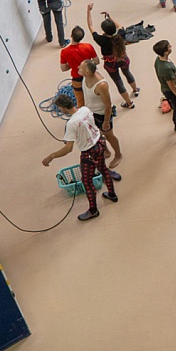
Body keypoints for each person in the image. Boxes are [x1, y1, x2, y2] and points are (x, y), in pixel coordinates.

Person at [41, 93, 117, 221]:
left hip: (89, 152)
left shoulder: (71, 124)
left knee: (87, 182)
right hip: (99, 143)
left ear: (63, 108)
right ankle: (112, 194)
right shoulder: (85, 109)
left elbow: (68, 148)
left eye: (59, 108)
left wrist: (51, 156)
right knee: (103, 169)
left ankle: (93, 210)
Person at [87, 4, 138, 108]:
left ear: (104, 31)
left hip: (111, 64)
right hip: (123, 58)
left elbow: (90, 26)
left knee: (118, 81)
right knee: (127, 73)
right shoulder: (121, 34)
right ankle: (135, 90)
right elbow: (119, 26)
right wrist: (109, 17)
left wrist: (88, 11)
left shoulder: (101, 40)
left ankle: (129, 103)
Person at [78, 59, 124, 171]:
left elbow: (108, 105)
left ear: (87, 73)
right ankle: (106, 151)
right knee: (97, 134)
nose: (78, 67)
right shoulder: (85, 77)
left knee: (109, 135)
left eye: (81, 67)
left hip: (102, 114)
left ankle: (118, 154)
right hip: (91, 112)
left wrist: (106, 122)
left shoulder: (101, 85)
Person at [59, 26, 98, 108]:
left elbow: (63, 68)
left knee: (80, 101)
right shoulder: (88, 47)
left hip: (77, 79)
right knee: (94, 97)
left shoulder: (64, 52)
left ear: (71, 35)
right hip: (90, 77)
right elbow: (97, 61)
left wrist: (71, 63)